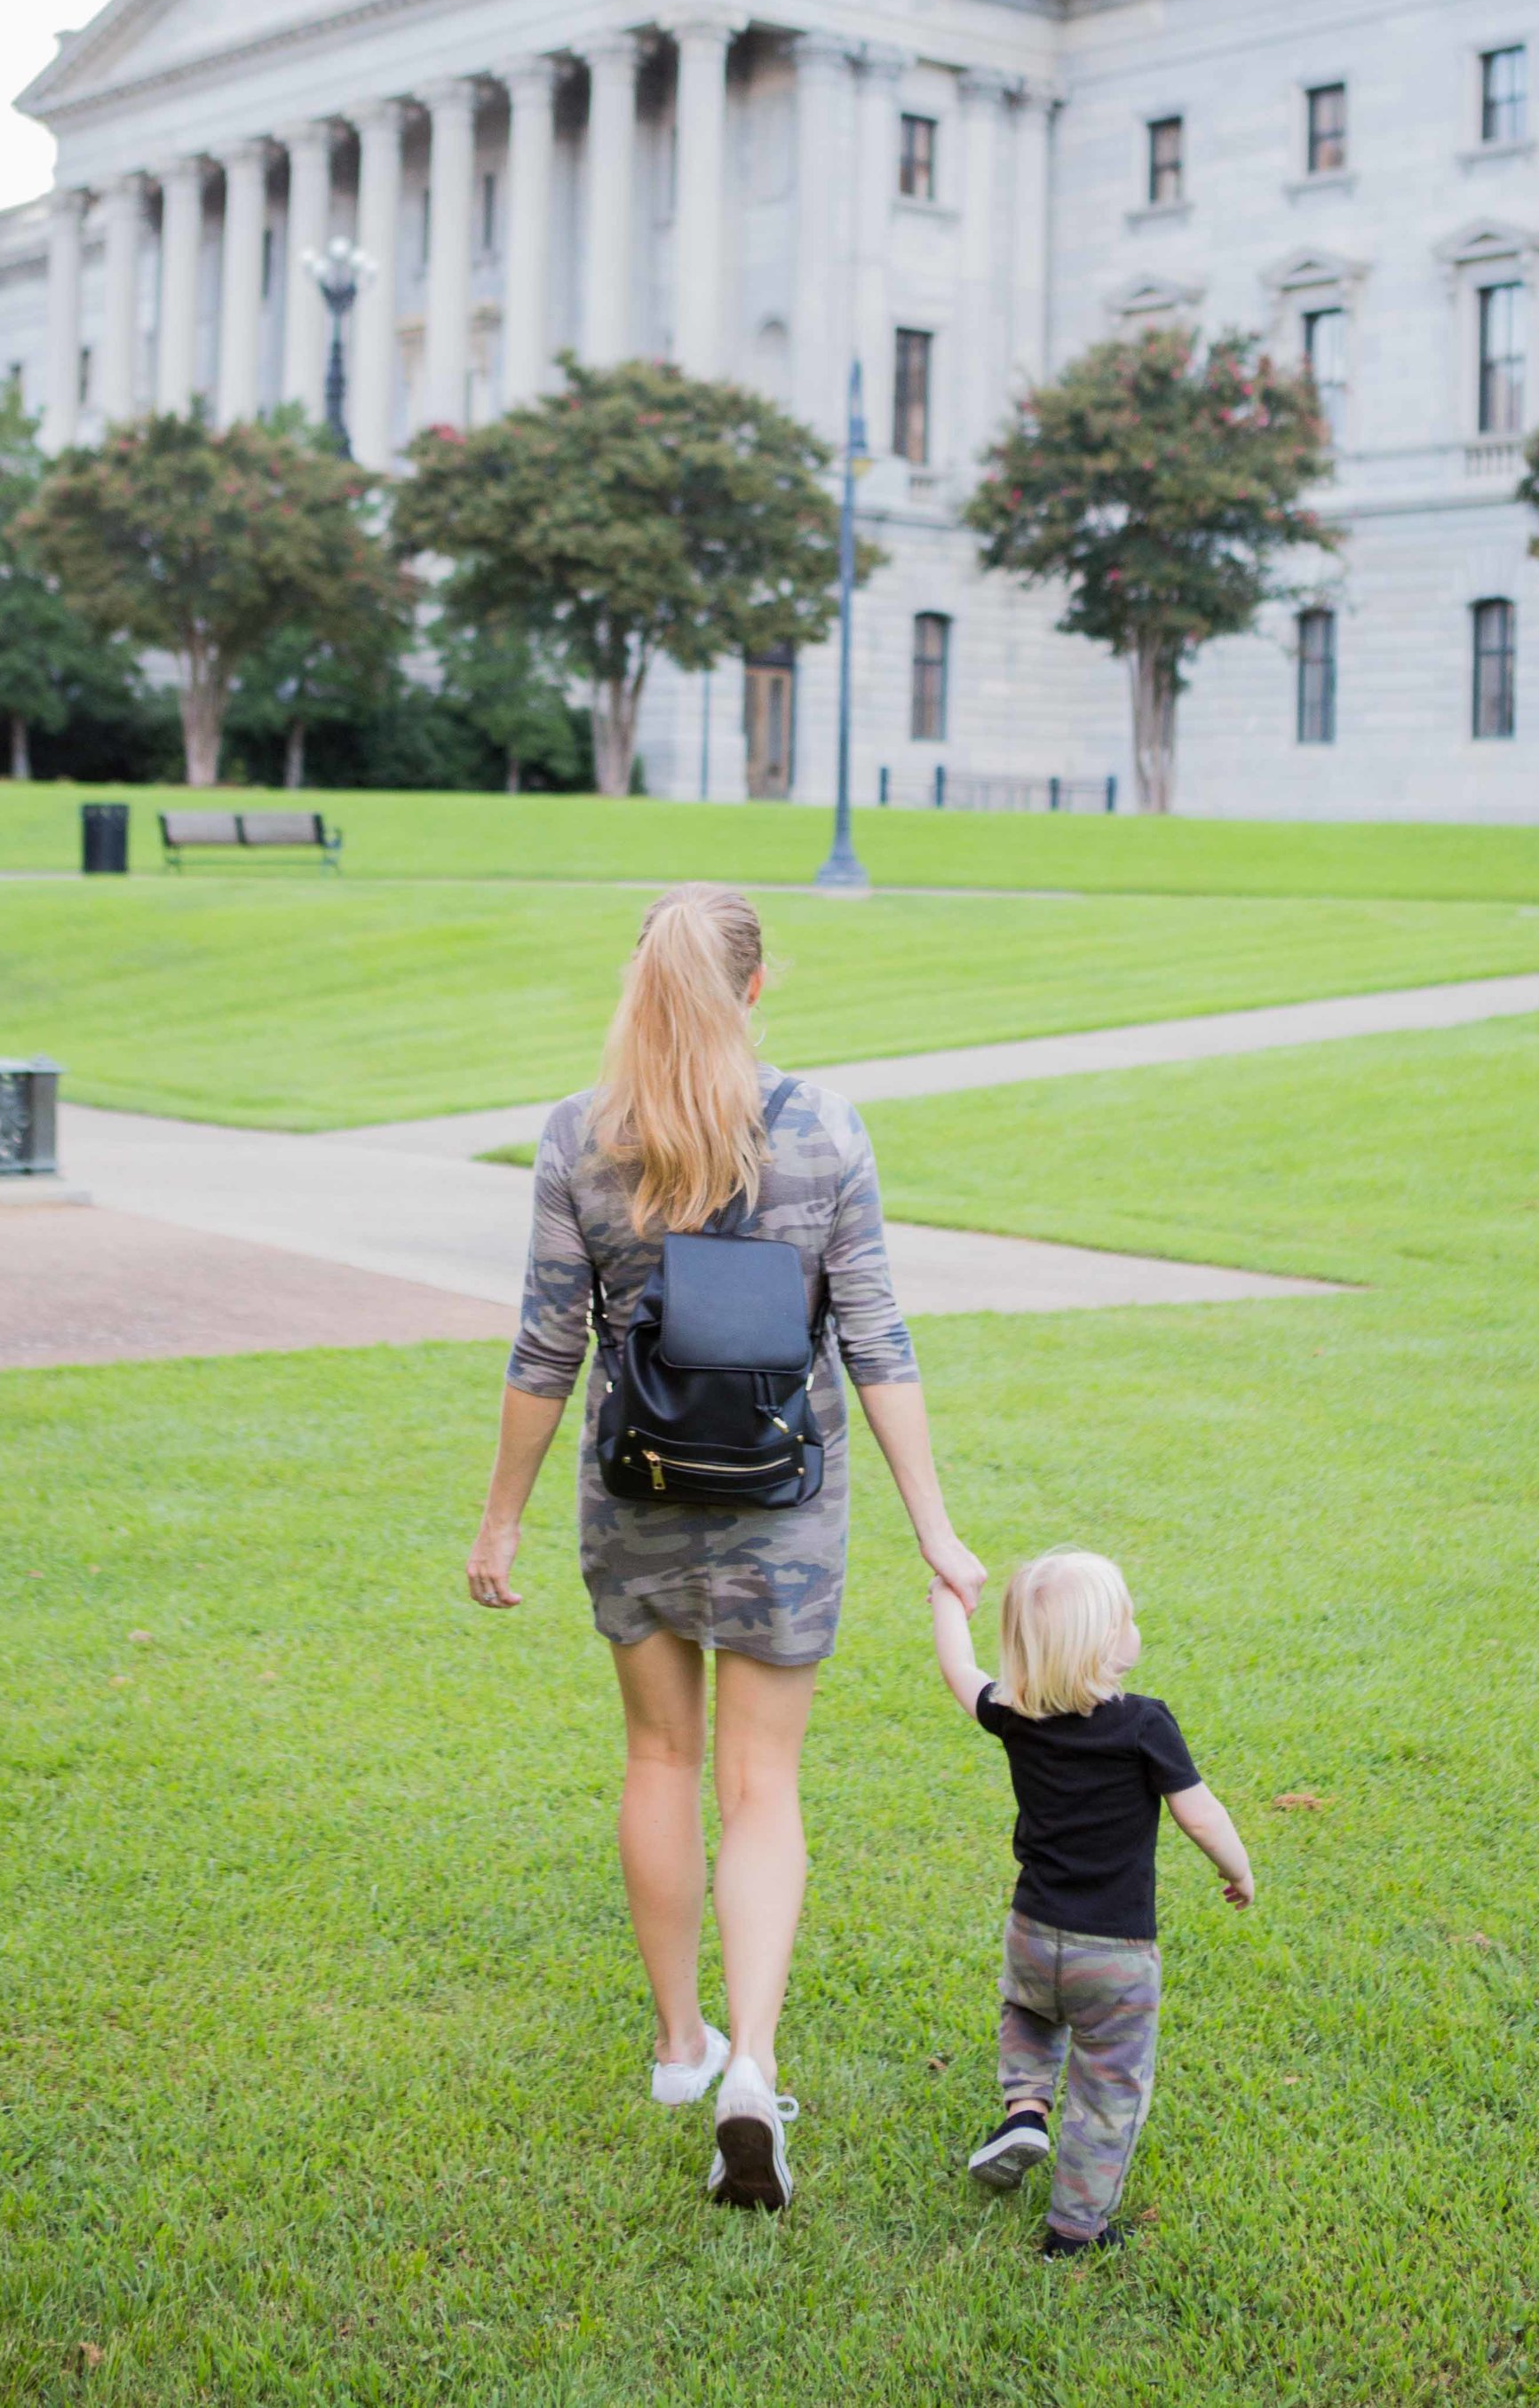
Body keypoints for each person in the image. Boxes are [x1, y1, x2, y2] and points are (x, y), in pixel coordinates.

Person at [466, 880, 985, 2213]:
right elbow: (877, 1339)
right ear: (756, 987)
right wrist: (936, 1529)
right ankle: (752, 2064)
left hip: (634, 1496)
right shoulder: (825, 1130)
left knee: (659, 1757)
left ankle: (678, 2044)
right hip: (784, 1504)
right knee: (761, 1784)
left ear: (640, 986)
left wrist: (501, 1516)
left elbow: (546, 1345)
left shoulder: (583, 1136)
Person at [929, 1546, 1254, 2257]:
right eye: (1127, 1617)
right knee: (1109, 2090)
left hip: (1032, 1931)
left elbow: (959, 1669)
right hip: (1115, 1954)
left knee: (1029, 2013)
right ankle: (1076, 2229)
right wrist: (1239, 1869)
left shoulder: (1014, 1713)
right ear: (1107, 1643)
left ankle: (1025, 2109)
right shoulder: (1145, 1724)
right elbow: (1200, 1816)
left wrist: (948, 1601)